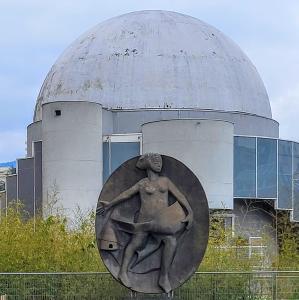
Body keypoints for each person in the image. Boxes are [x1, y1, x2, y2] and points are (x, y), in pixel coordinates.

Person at [97, 153, 193, 293]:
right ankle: (123, 272)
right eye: (154, 160)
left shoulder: (165, 181)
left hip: (162, 222)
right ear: (148, 164)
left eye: (159, 160)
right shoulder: (142, 183)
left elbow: (179, 195)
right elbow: (126, 194)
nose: (158, 162)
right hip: (144, 221)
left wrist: (190, 212)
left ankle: (163, 277)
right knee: (135, 244)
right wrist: (110, 205)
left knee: (171, 242)